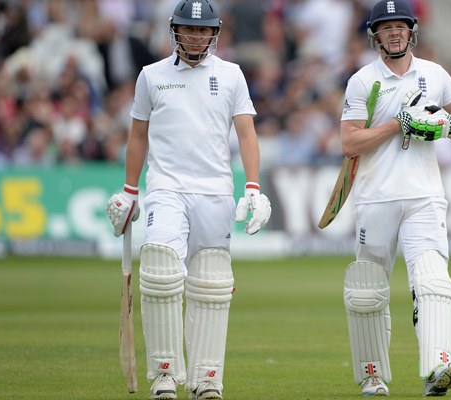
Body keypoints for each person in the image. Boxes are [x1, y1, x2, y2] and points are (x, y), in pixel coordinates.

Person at [105, 1, 271, 399]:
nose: (195, 36)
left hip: (215, 191)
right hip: (167, 187)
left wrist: (252, 186)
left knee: (210, 284)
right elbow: (138, 136)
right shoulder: (151, 76)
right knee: (160, 267)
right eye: (187, 29)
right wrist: (130, 191)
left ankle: (206, 379)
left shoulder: (231, 75)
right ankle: (164, 375)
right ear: (174, 30)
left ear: (214, 33)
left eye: (202, 30)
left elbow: (246, 133)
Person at [339, 0, 451, 397]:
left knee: (433, 280)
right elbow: (349, 141)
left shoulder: (433, 74)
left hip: (424, 196)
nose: (394, 33)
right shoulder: (362, 81)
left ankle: (437, 366)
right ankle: (372, 375)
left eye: (400, 26)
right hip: (376, 198)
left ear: (412, 31)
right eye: (386, 28)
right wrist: (397, 123)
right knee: (368, 290)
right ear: (375, 36)